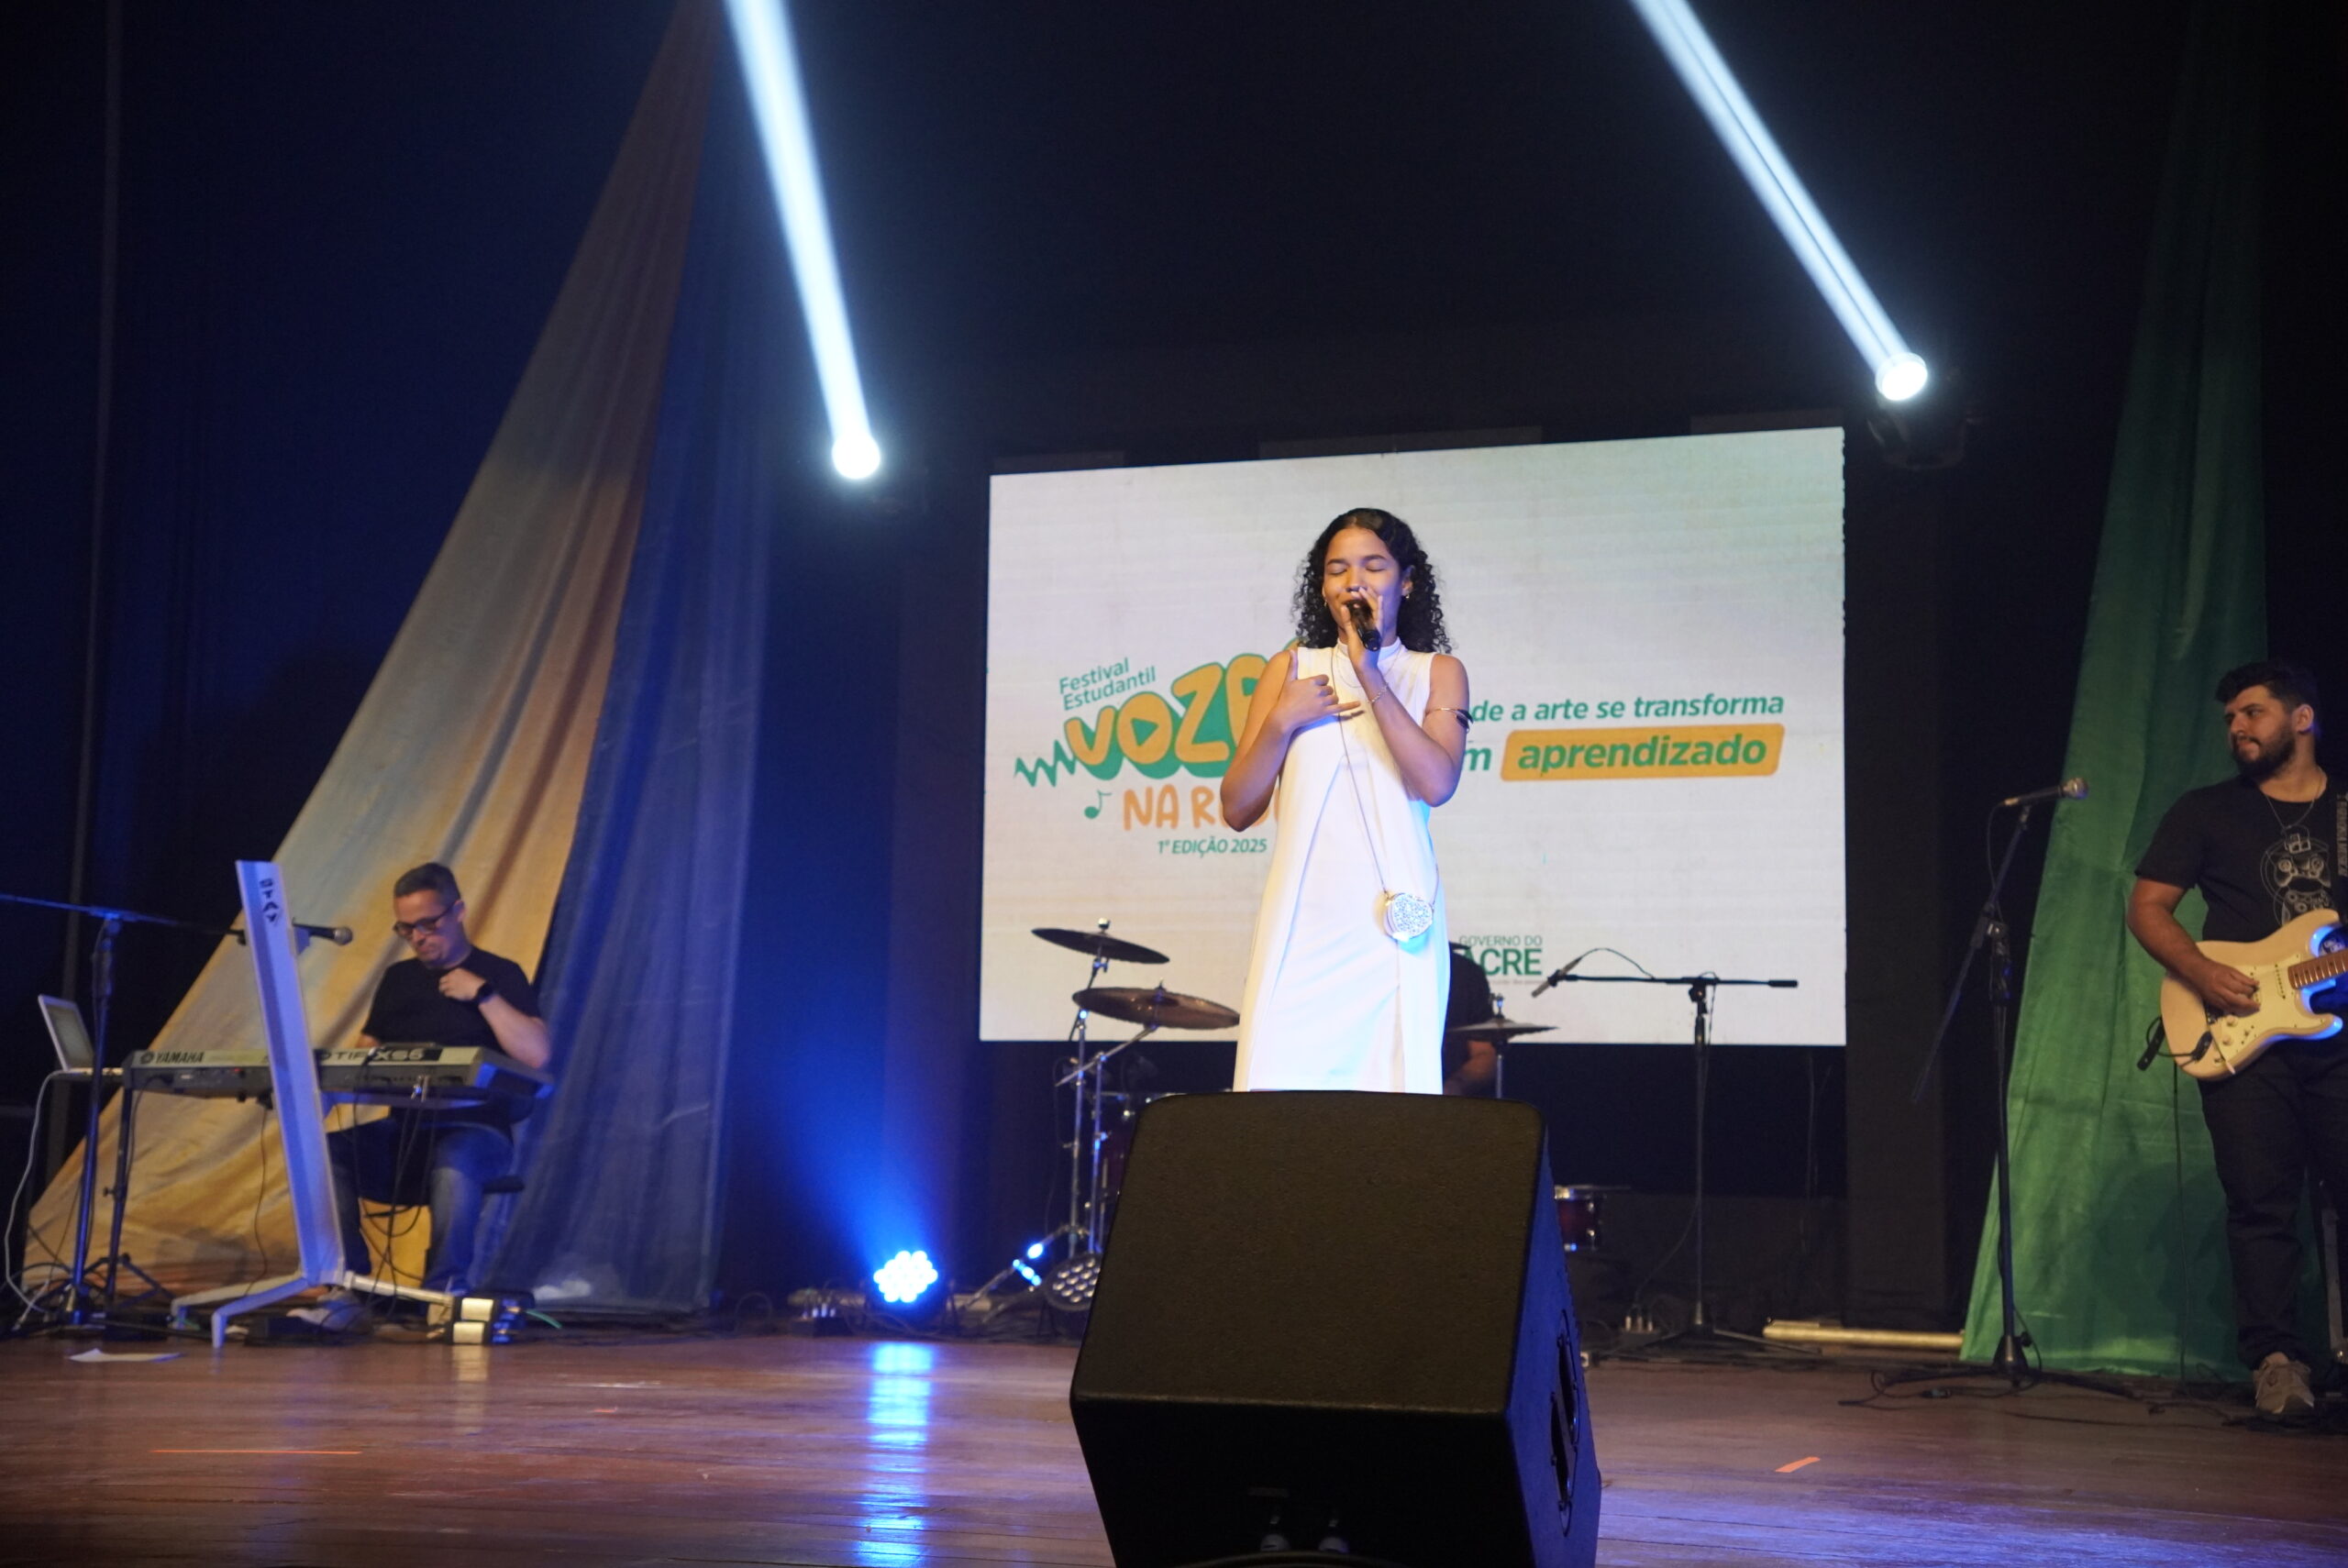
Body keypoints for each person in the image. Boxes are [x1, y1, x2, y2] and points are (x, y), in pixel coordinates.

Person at [2127, 659, 2348, 1419]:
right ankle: (2278, 1362)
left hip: (2339, 1040)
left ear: (2302, 718)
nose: (2237, 728)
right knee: (2260, 1202)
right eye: (2230, 718)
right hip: (2241, 1031)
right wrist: (2201, 971)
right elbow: (2148, 907)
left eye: (2252, 712)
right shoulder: (2206, 811)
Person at [1223, 508, 1471, 1093]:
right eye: (1337, 570)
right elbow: (1237, 808)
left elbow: (1437, 783)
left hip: (1391, 930)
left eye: (1373, 566)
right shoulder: (1290, 669)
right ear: (1323, 587)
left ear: (1406, 582)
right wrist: (1281, 720)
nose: (1354, 581)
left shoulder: (1438, 672)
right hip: (1304, 924)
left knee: (1389, 1106)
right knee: (1278, 1097)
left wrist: (1369, 672)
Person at [294, 862, 551, 1330]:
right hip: (406, 1132)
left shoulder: (499, 973)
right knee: (327, 1152)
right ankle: (349, 1287)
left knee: (455, 1156)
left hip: (476, 1131)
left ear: (458, 912)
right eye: (406, 928)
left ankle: (444, 1293)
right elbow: (365, 1056)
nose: (417, 937)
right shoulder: (399, 980)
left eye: (428, 924)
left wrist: (484, 995)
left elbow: (536, 1055)